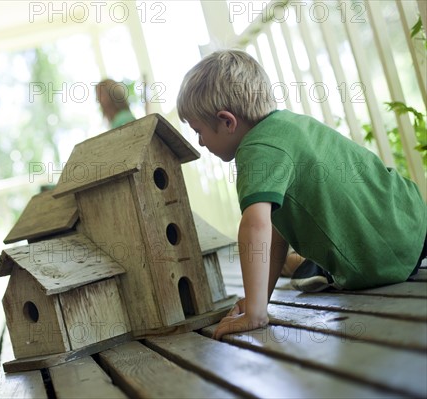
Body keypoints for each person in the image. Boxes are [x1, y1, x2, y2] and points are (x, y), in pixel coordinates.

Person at [176, 49, 426, 338]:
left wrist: (256, 313)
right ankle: (309, 267)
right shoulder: (291, 125)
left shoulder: (256, 149)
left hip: (378, 262)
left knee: (299, 265)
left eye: (199, 130)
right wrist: (258, 299)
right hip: (411, 219)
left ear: (227, 121)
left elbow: (256, 225)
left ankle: (315, 269)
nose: (200, 142)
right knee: (287, 254)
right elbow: (275, 230)